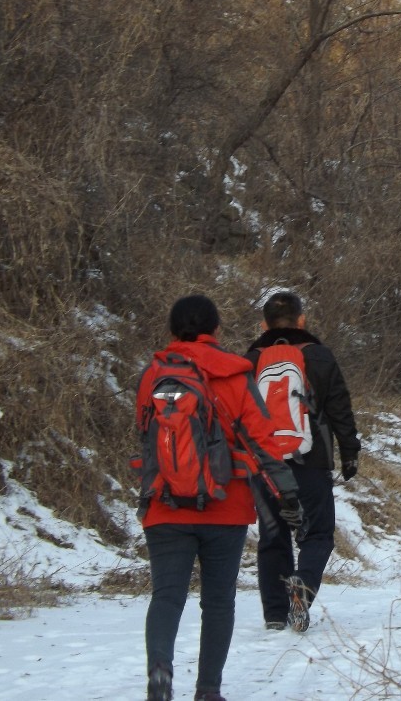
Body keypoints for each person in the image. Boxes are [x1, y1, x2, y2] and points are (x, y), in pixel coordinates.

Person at [137, 295, 305, 701]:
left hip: (165, 505)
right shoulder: (235, 373)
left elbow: (147, 437)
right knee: (217, 602)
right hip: (225, 508)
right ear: (215, 329)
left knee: (167, 596)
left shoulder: (153, 375)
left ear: (172, 330)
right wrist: (287, 494)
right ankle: (208, 689)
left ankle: (160, 668)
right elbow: (262, 442)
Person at [246, 290, 362, 632]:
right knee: (318, 533)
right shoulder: (320, 357)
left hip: (265, 462)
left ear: (264, 324)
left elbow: (239, 414)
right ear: (302, 321)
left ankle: (275, 615)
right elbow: (340, 409)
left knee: (273, 536)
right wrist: (350, 451)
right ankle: (303, 584)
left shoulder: (250, 360)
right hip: (311, 460)